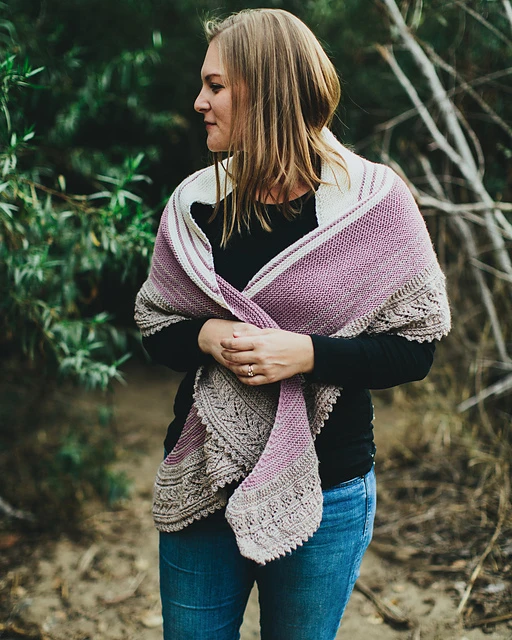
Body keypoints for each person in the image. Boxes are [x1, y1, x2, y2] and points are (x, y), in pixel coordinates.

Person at [135, 8, 450, 640]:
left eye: (216, 86)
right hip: (205, 478)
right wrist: (204, 337)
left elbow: (415, 348)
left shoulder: (372, 206)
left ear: (267, 87)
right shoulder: (194, 203)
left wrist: (305, 353)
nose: (199, 102)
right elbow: (154, 325)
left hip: (328, 490)